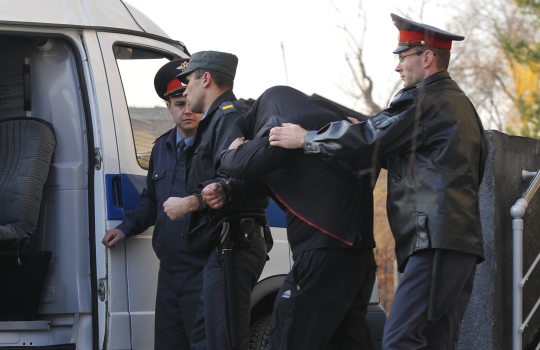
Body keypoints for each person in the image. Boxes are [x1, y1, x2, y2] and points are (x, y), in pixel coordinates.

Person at [268, 13, 486, 350]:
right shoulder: (460, 105)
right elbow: (426, 159)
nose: (398, 67)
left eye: (403, 56)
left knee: (400, 339)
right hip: (457, 244)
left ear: (426, 57)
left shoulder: (424, 99)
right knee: (437, 342)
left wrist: (307, 138)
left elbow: (372, 137)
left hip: (434, 241)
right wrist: (367, 135)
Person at [216, 85, 379, 349]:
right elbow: (267, 176)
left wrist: (231, 150)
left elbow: (241, 163)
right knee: (348, 339)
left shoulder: (276, 114)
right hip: (358, 252)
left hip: (323, 249)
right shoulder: (321, 115)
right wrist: (227, 187)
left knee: (287, 336)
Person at [162, 50, 271, 350]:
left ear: (206, 79)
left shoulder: (228, 116)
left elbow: (239, 174)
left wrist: (192, 202)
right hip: (221, 245)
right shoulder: (215, 122)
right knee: (208, 337)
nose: (186, 90)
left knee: (222, 340)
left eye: (189, 83)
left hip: (234, 242)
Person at [101, 58, 203, 350]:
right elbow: (152, 200)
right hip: (170, 269)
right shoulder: (162, 147)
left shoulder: (215, 145)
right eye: (179, 104)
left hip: (203, 270)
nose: (187, 111)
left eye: (190, 103)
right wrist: (124, 229)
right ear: (169, 108)